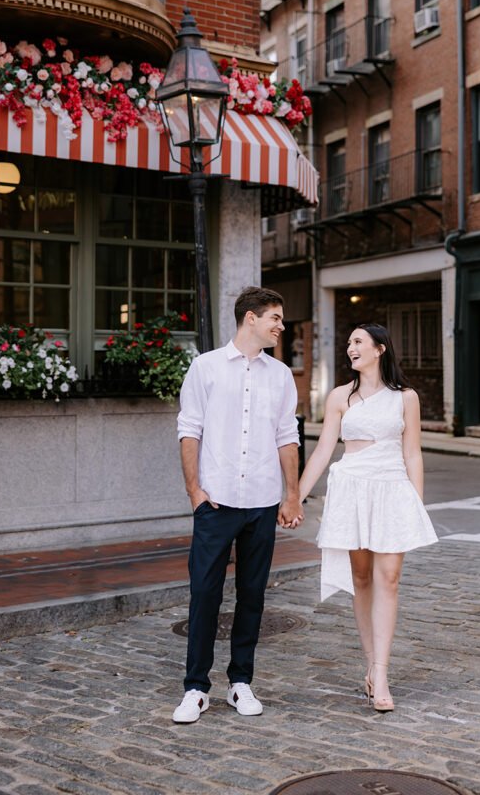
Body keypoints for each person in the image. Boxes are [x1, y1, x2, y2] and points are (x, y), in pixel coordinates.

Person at [172, 286, 304, 725]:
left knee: (252, 595)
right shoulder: (205, 367)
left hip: (263, 502)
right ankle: (195, 688)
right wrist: (195, 491)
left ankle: (240, 681)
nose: (281, 326)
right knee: (204, 594)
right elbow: (189, 429)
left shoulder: (281, 375)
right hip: (217, 501)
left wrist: (291, 494)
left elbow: (288, 437)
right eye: (275, 318)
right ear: (251, 318)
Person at [295, 323, 437, 712]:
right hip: (352, 490)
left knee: (388, 579)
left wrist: (415, 505)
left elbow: (413, 454)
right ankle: (371, 666)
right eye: (349, 343)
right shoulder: (340, 396)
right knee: (361, 578)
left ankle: (382, 673)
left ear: (379, 349)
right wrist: (295, 498)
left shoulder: (406, 398)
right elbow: (324, 450)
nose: (350, 348)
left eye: (358, 342)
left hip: (392, 490)